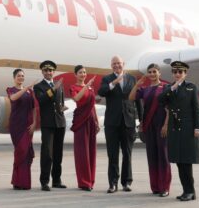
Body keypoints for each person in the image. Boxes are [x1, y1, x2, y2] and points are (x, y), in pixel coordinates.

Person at [159, 61, 199, 201]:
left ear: (185, 73)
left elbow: (196, 109)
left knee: (186, 161)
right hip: (175, 130)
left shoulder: (191, 88)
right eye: (175, 72)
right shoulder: (168, 88)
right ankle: (188, 191)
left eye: (180, 72)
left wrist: (198, 127)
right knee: (178, 161)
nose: (177, 74)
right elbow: (160, 100)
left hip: (188, 129)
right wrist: (173, 87)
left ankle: (189, 191)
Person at [97, 55, 139, 193]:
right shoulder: (107, 79)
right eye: (114, 64)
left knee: (127, 153)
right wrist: (113, 83)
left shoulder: (132, 79)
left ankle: (126, 182)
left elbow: (137, 100)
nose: (116, 65)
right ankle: (113, 183)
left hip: (128, 122)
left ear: (123, 64)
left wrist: (142, 119)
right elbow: (101, 92)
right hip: (112, 123)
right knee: (112, 154)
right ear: (111, 66)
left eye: (119, 63)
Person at [129, 63, 171, 197]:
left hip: (161, 126)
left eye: (154, 72)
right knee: (152, 157)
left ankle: (165, 187)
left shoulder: (165, 87)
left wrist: (166, 125)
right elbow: (130, 98)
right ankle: (155, 187)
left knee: (163, 156)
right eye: (150, 72)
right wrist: (137, 84)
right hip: (149, 126)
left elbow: (169, 108)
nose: (152, 74)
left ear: (159, 73)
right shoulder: (145, 89)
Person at [33, 60, 66, 191]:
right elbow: (41, 100)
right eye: (46, 70)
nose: (49, 72)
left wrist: (62, 108)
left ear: (53, 72)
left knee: (58, 153)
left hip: (60, 122)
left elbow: (59, 102)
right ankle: (44, 181)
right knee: (47, 153)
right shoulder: (39, 86)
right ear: (42, 72)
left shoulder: (58, 85)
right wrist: (53, 89)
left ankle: (56, 180)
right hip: (47, 123)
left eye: (51, 70)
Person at [70, 65, 100, 191]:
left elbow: (93, 106)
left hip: (91, 120)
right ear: (76, 75)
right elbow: (76, 98)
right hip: (81, 121)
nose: (83, 74)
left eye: (84, 72)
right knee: (82, 153)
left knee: (91, 151)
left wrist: (97, 121)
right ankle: (83, 182)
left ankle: (91, 180)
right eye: (80, 72)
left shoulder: (91, 88)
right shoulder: (73, 87)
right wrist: (86, 86)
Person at [6, 69, 36, 190]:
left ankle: (22, 182)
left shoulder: (30, 92)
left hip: (28, 125)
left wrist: (34, 123)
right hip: (16, 125)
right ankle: (18, 181)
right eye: (19, 76)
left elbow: (33, 108)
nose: (21, 77)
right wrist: (26, 88)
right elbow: (13, 98)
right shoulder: (11, 89)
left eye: (23, 76)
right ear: (14, 77)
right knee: (20, 152)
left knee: (26, 154)